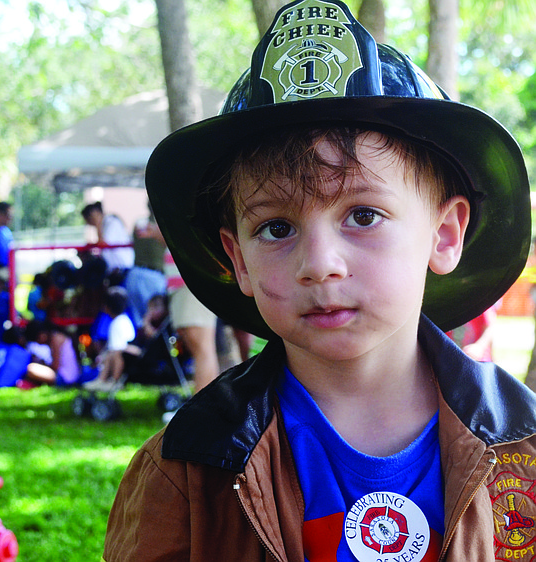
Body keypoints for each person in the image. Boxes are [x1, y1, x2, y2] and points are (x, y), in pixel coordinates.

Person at [103, 1, 534, 559]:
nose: (319, 263)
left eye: (363, 215)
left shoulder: (522, 443)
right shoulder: (186, 468)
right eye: (276, 227)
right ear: (238, 260)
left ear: (444, 234)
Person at [82, 286, 135, 391]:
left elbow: (118, 347)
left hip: (126, 355)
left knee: (114, 352)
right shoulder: (122, 319)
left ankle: (110, 381)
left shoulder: (118, 323)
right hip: (124, 353)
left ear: (107, 307)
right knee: (111, 352)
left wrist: (102, 357)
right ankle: (103, 380)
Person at [124, 209, 167, 327]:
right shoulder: (164, 225)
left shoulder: (139, 224)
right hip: (154, 277)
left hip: (134, 274)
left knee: (139, 322)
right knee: (156, 321)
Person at [81, 201, 134, 283]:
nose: (88, 223)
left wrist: (98, 223)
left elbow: (102, 244)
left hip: (122, 269)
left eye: (88, 220)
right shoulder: (105, 224)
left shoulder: (111, 222)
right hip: (115, 271)